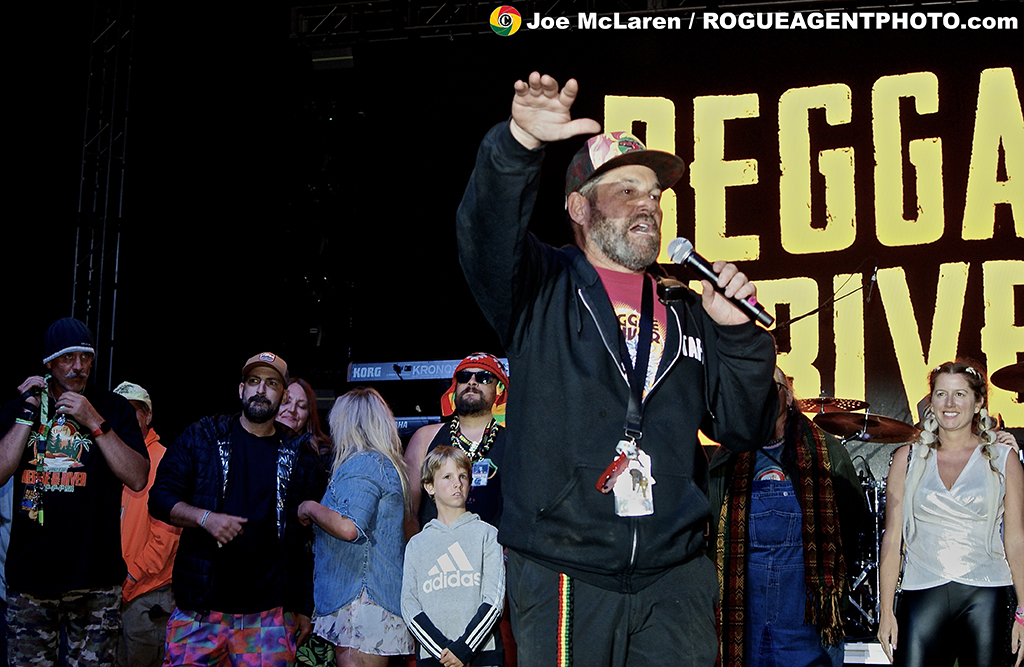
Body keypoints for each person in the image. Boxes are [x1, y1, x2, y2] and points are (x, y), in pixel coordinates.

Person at [456, 72, 777, 666]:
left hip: (675, 579)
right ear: (580, 207)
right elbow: (486, 231)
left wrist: (738, 335)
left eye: (654, 194)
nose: (648, 204)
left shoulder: (686, 306)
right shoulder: (541, 286)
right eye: (626, 189)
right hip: (565, 569)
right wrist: (517, 147)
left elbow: (744, 426)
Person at [149, 351, 326, 666]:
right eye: (254, 381)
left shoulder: (299, 454)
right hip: (199, 611)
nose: (261, 390)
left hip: (268, 616)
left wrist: (303, 606)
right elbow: (160, 498)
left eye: (271, 383)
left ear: (283, 396)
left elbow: (307, 542)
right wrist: (204, 518)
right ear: (241, 389)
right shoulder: (204, 436)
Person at [0, 317, 149, 666]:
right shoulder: (23, 406)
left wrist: (95, 422)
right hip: (31, 579)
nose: (79, 366)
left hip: (95, 579)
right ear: (49, 363)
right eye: (68, 357)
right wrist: (26, 414)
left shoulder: (113, 408)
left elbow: (138, 478)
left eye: (86, 357)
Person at [709, 367, 868, 667]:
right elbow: (711, 527)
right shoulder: (727, 456)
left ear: (790, 397)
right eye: (754, 385)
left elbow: (854, 520)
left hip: (805, 612)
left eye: (771, 385)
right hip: (746, 610)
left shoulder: (827, 451)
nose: (763, 393)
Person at [877, 360, 1024, 667]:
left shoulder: (1004, 458)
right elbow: (892, 539)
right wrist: (886, 611)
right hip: (920, 593)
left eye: (960, 394)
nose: (950, 403)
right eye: (941, 394)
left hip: (988, 594)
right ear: (931, 402)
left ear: (978, 402)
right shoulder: (907, 458)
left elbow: (1016, 540)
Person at [297, 387, 414, 667]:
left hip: (362, 601)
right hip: (369, 599)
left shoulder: (364, 463)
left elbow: (349, 527)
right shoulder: (382, 464)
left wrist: (309, 507)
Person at [403, 446, 505, 667]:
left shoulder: (488, 535)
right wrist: (444, 653)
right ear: (429, 486)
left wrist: (463, 650)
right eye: (447, 477)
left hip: (482, 655)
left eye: (462, 476)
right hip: (434, 657)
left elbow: (494, 602)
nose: (457, 483)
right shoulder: (417, 545)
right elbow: (409, 606)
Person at [113, 381, 181, 667]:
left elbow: (166, 539)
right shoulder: (110, 458)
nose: (124, 418)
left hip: (145, 596)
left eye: (132, 411)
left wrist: (131, 578)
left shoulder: (165, 460)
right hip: (110, 594)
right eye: (118, 412)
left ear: (148, 415)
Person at [404, 353, 509, 533]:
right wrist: (417, 546)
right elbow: (408, 509)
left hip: (494, 548)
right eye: (464, 377)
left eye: (483, 378)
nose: (472, 382)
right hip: (436, 547)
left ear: (499, 390)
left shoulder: (515, 440)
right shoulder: (425, 437)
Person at [278, 377, 333, 458]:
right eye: (286, 402)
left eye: (301, 406)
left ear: (309, 416)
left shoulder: (322, 454)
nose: (292, 409)